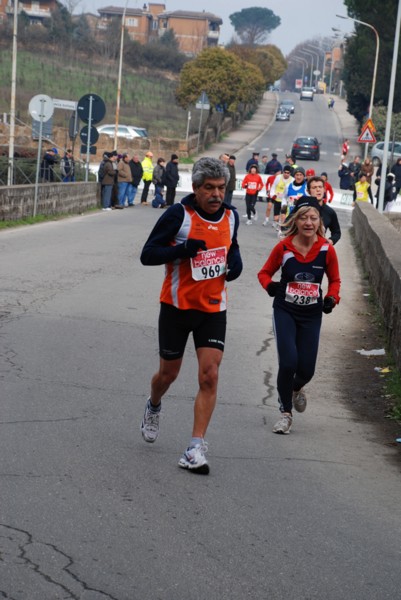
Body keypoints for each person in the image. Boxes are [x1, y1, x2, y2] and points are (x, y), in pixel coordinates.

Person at [140, 157, 243, 474]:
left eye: (221, 188)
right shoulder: (178, 216)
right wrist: (182, 250)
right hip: (176, 307)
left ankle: (195, 447)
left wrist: (235, 266)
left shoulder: (231, 217)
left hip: (213, 309)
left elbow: (232, 249)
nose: (216, 194)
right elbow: (148, 255)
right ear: (196, 188)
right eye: (209, 188)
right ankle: (154, 403)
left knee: (209, 375)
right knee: (167, 375)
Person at [257, 196, 341, 434]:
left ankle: (295, 388)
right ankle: (285, 413)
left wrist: (332, 298)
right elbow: (264, 273)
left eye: (313, 218)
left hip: (312, 314)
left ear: (319, 221)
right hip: (285, 310)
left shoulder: (327, 249)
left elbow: (334, 280)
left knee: (306, 369)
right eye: (303, 217)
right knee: (288, 362)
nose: (308, 222)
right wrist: (270, 286)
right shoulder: (283, 247)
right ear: (295, 219)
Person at [305, 176, 341, 245]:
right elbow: (286, 225)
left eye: (320, 187)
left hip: (319, 250)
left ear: (324, 189)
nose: (318, 190)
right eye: (314, 187)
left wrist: (331, 241)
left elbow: (337, 232)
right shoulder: (301, 208)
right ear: (308, 191)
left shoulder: (330, 212)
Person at [269, 165, 293, 229]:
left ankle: (280, 227)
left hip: (285, 201)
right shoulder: (278, 177)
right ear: (283, 172)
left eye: (288, 173)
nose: (286, 174)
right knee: (276, 218)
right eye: (285, 172)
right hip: (277, 199)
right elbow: (273, 187)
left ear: (290, 173)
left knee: (283, 216)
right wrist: (272, 195)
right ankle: (278, 222)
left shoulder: (292, 180)